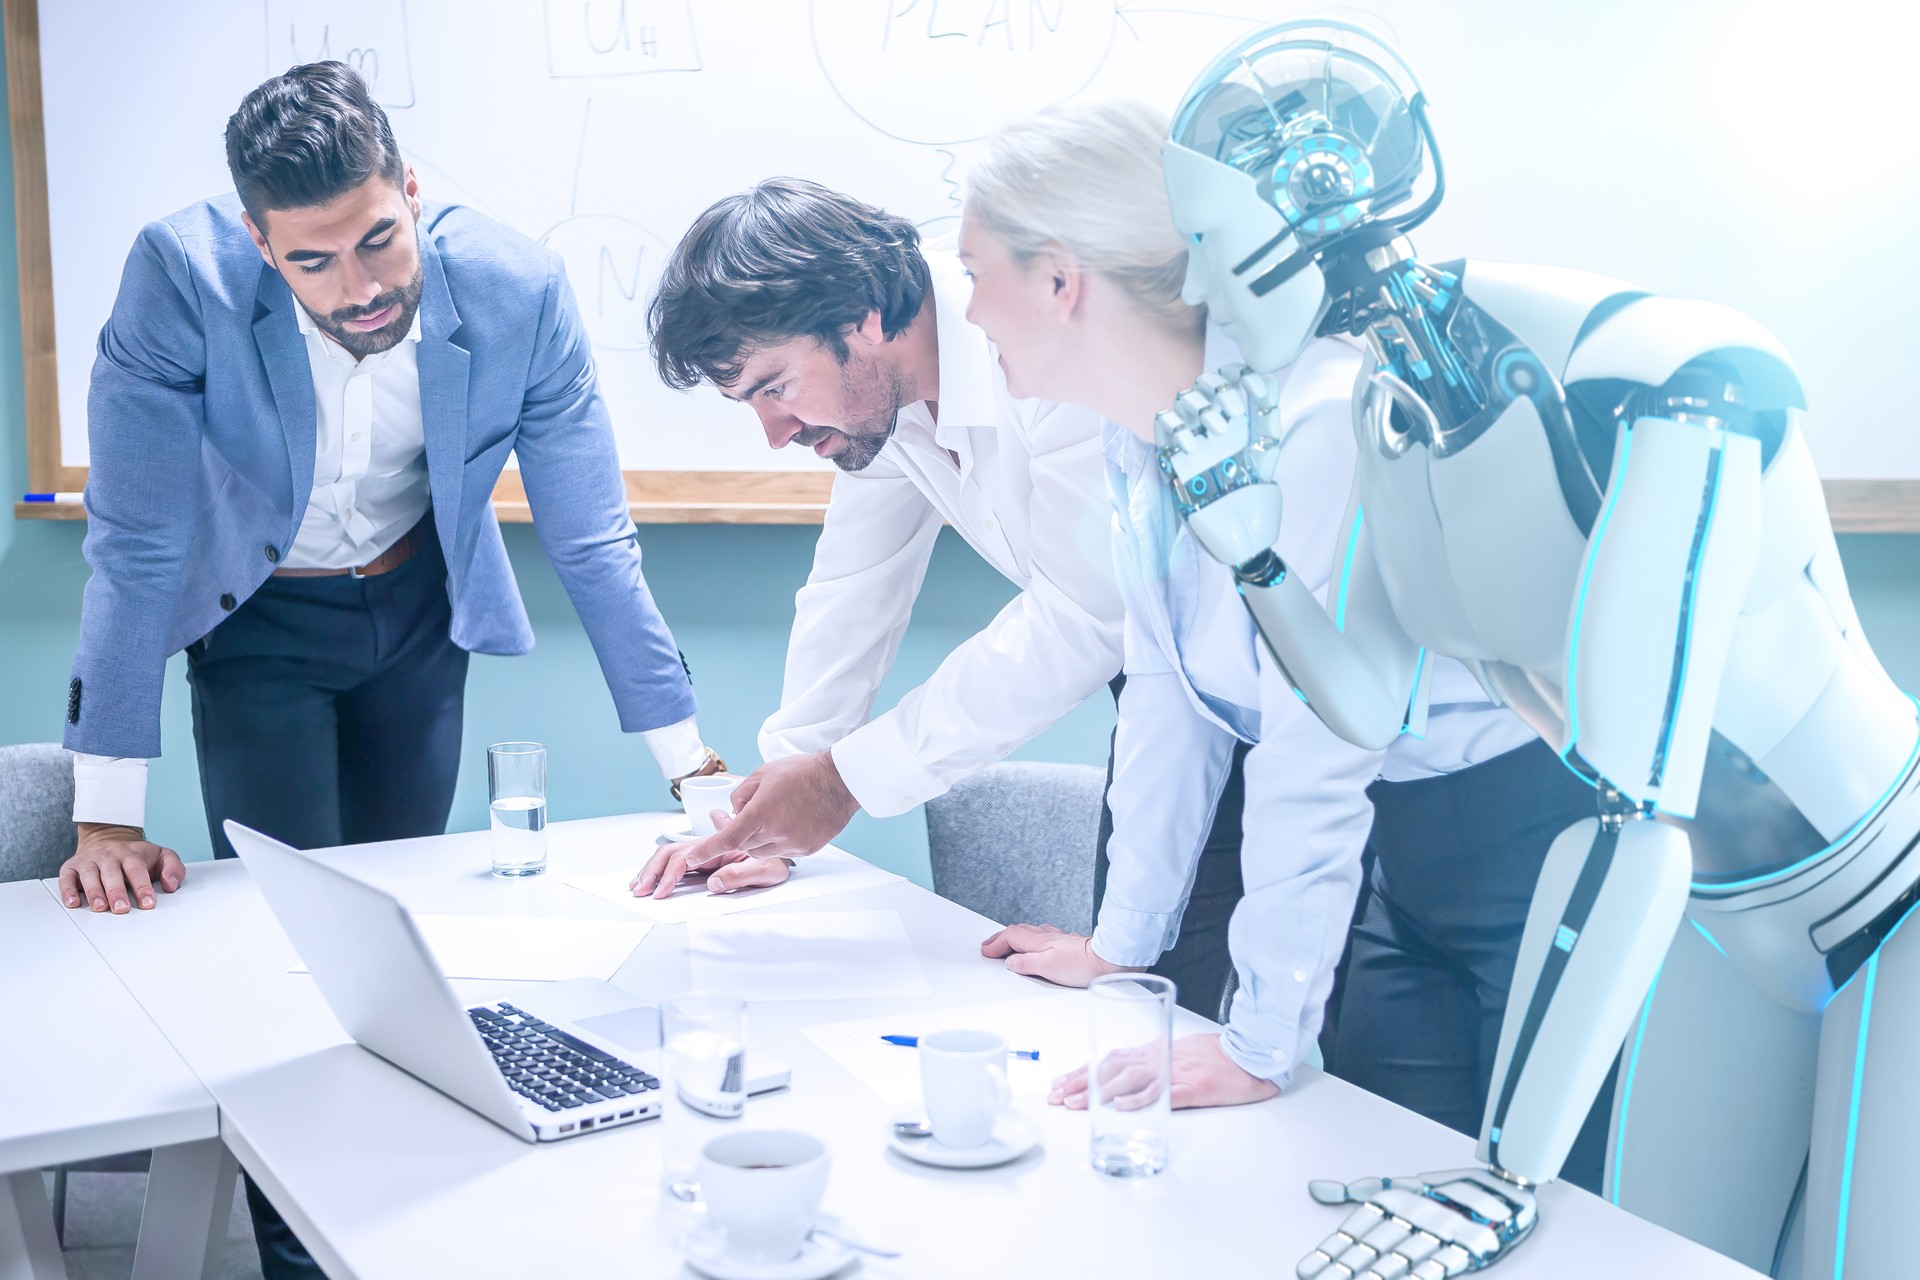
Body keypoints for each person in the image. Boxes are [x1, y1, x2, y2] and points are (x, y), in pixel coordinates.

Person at [57, 61, 721, 1275]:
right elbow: (140, 540)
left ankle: (413, 1236)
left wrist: (702, 778)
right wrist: (103, 813)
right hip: (257, 618)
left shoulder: (517, 285)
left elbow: (590, 537)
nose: (360, 290)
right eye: (313, 262)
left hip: (418, 610)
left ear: (410, 189)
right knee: (286, 952)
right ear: (260, 243)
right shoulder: (176, 277)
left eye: (378, 240)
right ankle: (298, 1253)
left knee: (404, 952)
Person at [954, 100, 1613, 1187]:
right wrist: (1125, 941)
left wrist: (1261, 1040)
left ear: (1062, 279)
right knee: (1384, 1184)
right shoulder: (1138, 434)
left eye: (978, 270)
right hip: (1399, 839)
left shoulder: (1318, 418)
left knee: (1543, 1210)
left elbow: (1316, 745)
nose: (969, 306)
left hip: (1521, 835)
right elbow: (1168, 690)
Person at [637, 178, 1270, 1022]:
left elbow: (1083, 617)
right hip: (1172, 685)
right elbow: (853, 589)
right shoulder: (879, 399)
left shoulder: (1048, 350)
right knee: (1152, 1006)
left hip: (1294, 671)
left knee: (1271, 1004)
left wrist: (840, 783)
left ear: (861, 317)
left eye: (774, 387)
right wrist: (774, 809)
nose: (774, 434)